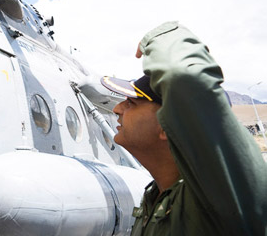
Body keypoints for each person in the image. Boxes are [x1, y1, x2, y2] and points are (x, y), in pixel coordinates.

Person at [101, 21, 267, 235]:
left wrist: (162, 38)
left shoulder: (218, 196)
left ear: (168, 121)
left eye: (132, 103)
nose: (117, 109)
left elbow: (183, 76)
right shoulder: (157, 197)